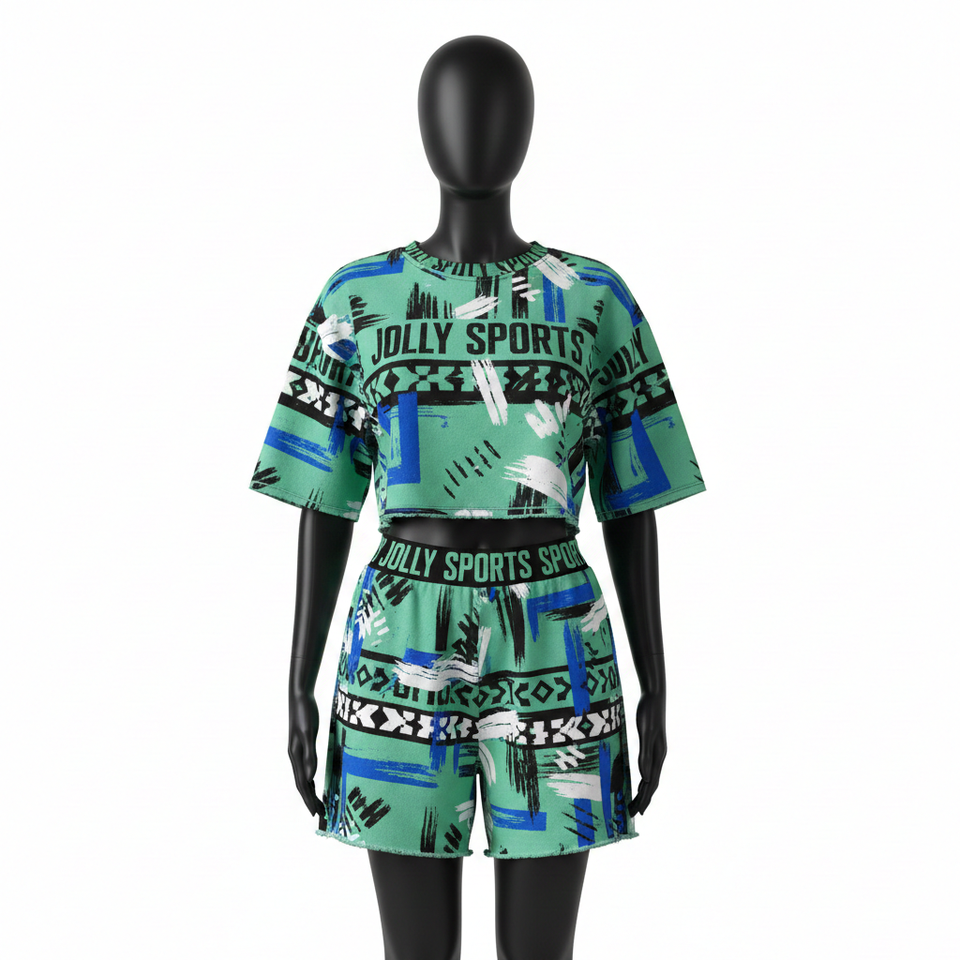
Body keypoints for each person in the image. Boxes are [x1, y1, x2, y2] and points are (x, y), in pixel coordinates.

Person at [249, 35, 706, 960]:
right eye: (455, 110)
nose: (476, 131)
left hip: (556, 627)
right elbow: (323, 501)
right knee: (415, 951)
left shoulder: (594, 299)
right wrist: (297, 679)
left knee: (541, 951)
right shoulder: (358, 298)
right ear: (423, 129)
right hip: (401, 631)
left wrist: (658, 681)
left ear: (527, 131)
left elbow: (634, 503)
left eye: (500, 111)